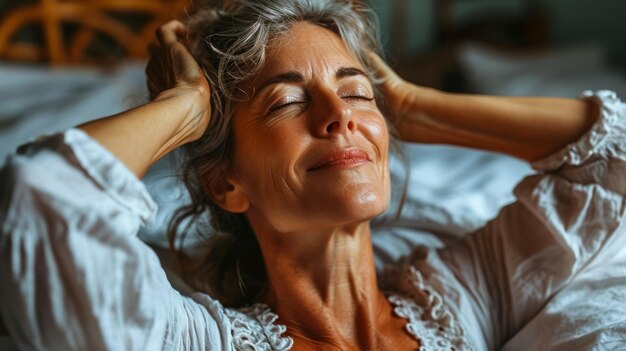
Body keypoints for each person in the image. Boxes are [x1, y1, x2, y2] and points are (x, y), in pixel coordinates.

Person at [0, 0, 624, 350]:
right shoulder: (193, 340)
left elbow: (611, 158)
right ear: (227, 184)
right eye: (287, 103)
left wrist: (407, 104)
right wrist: (185, 104)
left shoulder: (464, 297)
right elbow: (45, 196)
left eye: (354, 95)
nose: (337, 118)